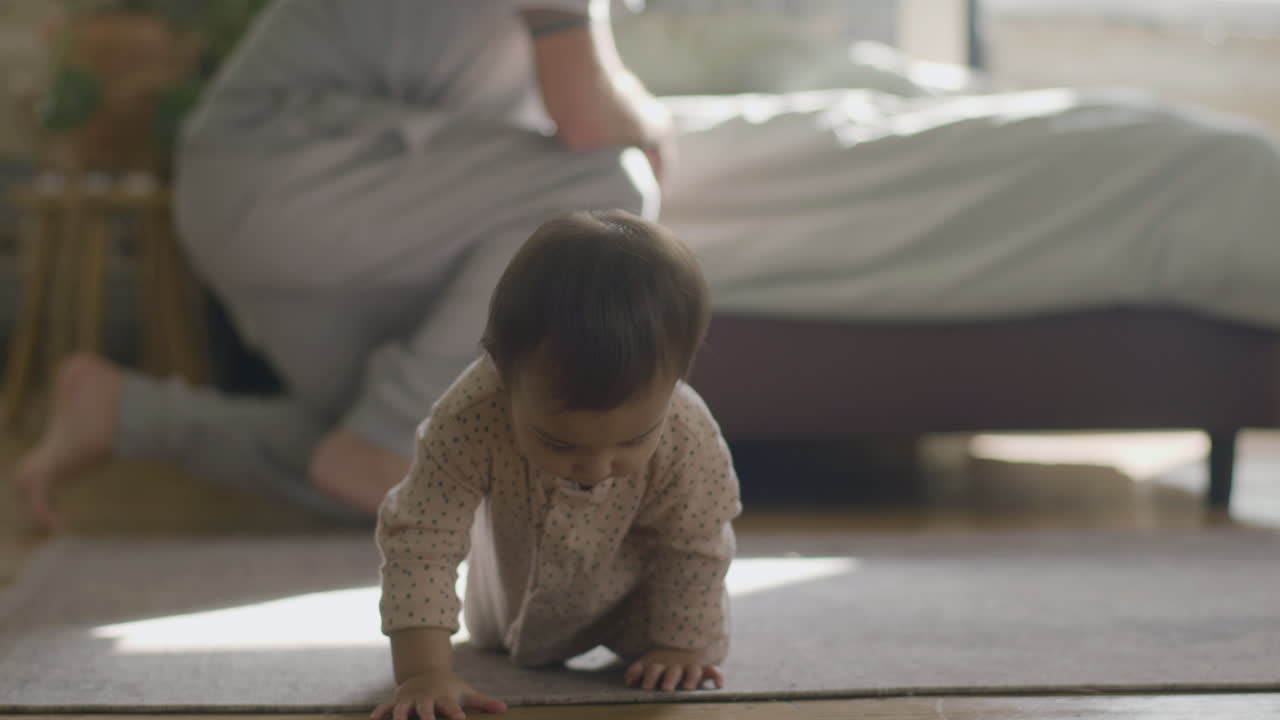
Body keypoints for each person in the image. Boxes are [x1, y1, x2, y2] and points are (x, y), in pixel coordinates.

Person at [13, 0, 670, 528]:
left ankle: (121, 411)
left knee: (389, 448)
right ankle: (385, 440)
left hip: (292, 191)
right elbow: (588, 123)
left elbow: (586, 90)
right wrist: (648, 125)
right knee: (608, 187)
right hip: (285, 168)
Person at [372, 209, 740, 720]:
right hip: (508, 608)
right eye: (560, 443)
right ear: (503, 372)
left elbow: (697, 541)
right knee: (486, 646)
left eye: (632, 440)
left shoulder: (685, 431)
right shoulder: (470, 416)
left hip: (637, 601)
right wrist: (423, 673)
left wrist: (680, 646)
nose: (595, 468)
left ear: (677, 377)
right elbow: (421, 539)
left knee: (690, 643)